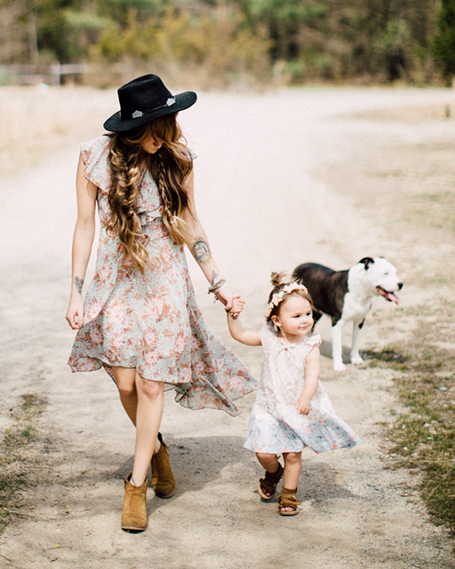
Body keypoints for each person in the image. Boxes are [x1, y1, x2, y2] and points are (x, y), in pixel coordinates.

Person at [66, 74, 256, 532]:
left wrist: (219, 282)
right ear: (130, 131)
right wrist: (75, 289)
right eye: (152, 130)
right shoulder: (94, 158)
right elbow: (85, 227)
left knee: (152, 385)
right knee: (127, 383)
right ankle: (155, 447)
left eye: (165, 125)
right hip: (117, 277)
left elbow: (191, 223)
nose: (161, 136)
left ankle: (136, 487)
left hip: (165, 279)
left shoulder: (178, 157)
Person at [226, 272, 361, 516]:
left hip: (296, 406)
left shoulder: (309, 346)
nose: (305, 321)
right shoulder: (268, 337)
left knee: (292, 454)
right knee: (264, 451)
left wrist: (306, 397)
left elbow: (312, 375)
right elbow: (240, 335)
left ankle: (289, 494)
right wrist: (232, 315)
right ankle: (273, 472)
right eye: (297, 316)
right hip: (269, 407)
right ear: (277, 320)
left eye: (308, 314)